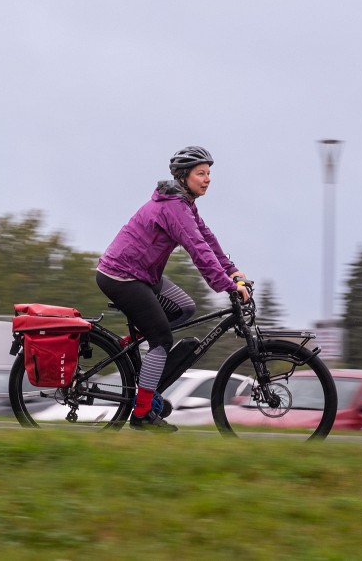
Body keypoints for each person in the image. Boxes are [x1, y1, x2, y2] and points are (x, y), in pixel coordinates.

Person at [96, 145, 249, 432]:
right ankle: (141, 414)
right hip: (122, 276)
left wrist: (231, 269)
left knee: (185, 308)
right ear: (183, 177)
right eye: (201, 173)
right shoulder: (173, 208)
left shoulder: (184, 203)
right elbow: (198, 250)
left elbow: (206, 238)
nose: (207, 179)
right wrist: (227, 285)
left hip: (143, 274)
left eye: (209, 174)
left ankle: (131, 345)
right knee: (162, 341)